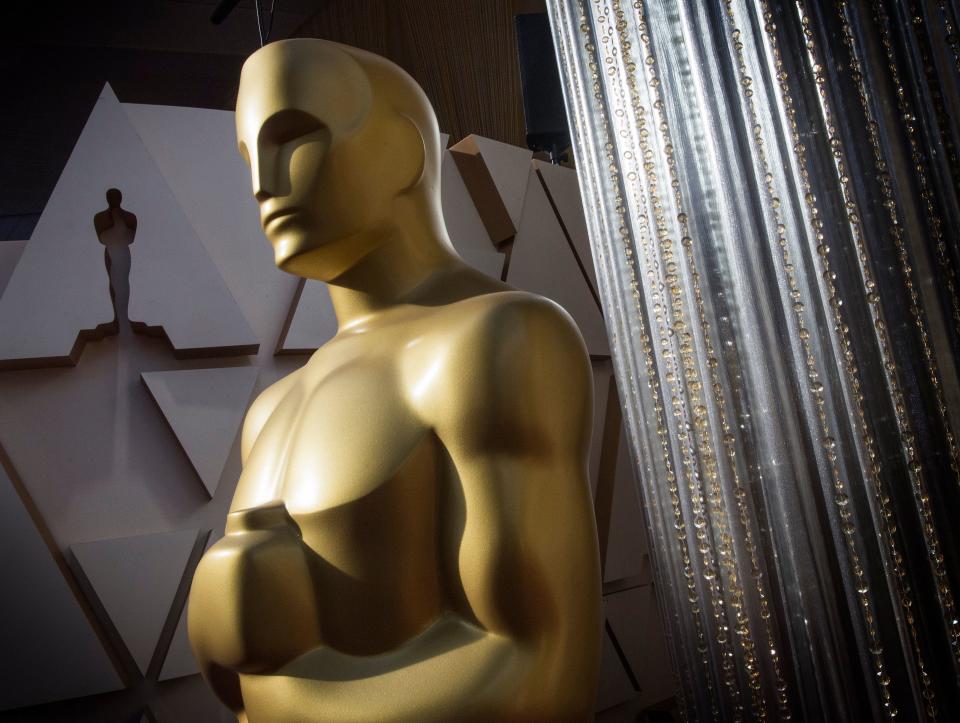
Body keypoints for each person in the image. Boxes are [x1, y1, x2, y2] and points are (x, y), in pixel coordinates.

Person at [188, 39, 601, 722]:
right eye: (247, 156)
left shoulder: (497, 342)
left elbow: (542, 676)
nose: (263, 180)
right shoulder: (273, 410)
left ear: (404, 152)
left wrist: (274, 689)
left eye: (292, 137)